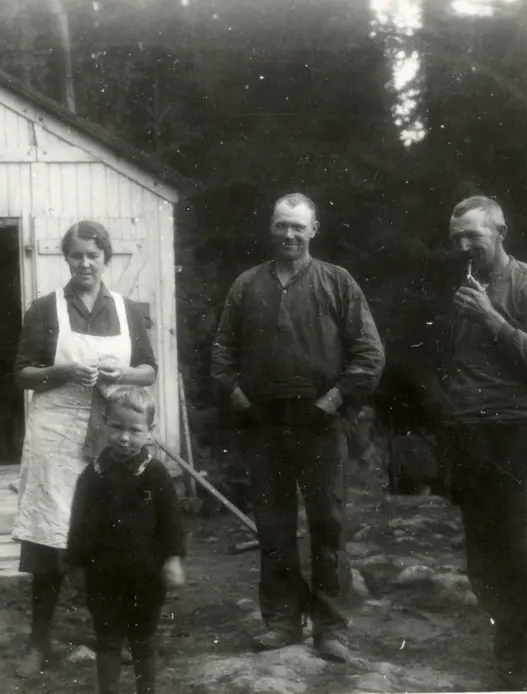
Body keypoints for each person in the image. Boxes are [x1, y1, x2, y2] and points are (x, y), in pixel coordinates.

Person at [211, 193, 384, 661]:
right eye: (281, 225)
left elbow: (369, 354)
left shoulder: (337, 282)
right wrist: (239, 396)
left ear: (314, 229)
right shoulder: (247, 285)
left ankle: (331, 627)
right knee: (273, 526)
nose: (289, 234)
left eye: (298, 227)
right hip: (265, 424)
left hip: (320, 423)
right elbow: (222, 351)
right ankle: (283, 621)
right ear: (271, 227)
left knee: (327, 523)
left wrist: (333, 400)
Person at [10, 220, 158, 677]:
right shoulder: (45, 308)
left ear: (106, 258)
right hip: (56, 432)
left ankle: (119, 635)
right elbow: (23, 374)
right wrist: (64, 373)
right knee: (49, 538)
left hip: (112, 433)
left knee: (117, 532)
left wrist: (122, 376)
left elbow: (149, 369)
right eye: (76, 255)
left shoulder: (127, 309)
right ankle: (38, 642)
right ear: (67, 259)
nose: (85, 263)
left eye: (93, 255)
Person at [442, 195, 527, 690]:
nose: (463, 245)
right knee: (487, 562)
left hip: (522, 436)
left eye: (473, 235)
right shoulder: (469, 289)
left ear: (500, 231)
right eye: (457, 237)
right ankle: (512, 667)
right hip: (473, 438)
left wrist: (492, 318)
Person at [66, 387, 185, 694]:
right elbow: (77, 524)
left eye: (134, 430)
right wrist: (75, 564)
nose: (123, 437)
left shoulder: (156, 474)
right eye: (117, 427)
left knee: (142, 640)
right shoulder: (91, 476)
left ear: (149, 432)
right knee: (106, 641)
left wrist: (173, 559)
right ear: (104, 424)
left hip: (146, 576)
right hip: (102, 576)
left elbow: (172, 523)